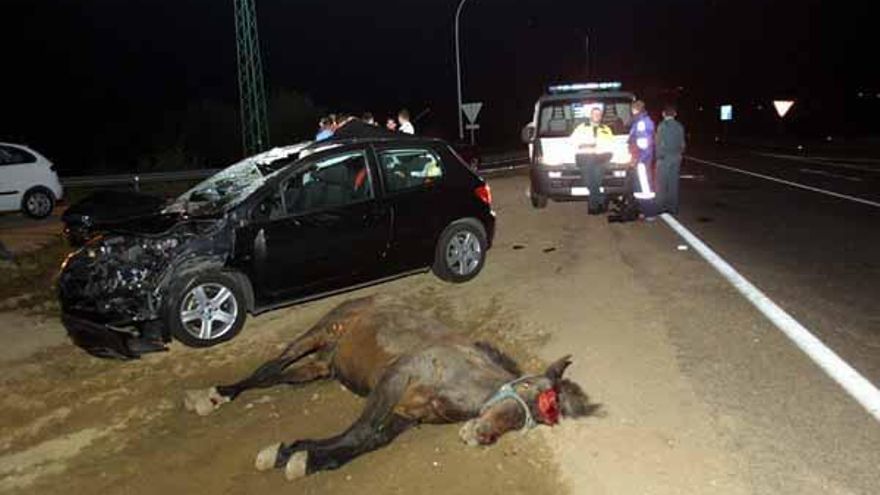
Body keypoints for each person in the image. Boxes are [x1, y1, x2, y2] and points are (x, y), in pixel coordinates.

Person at [571, 106, 614, 213]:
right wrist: (587, 146)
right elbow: (572, 141)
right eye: (594, 114)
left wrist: (604, 152)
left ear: (601, 116)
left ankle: (593, 208)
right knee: (588, 182)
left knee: (596, 182)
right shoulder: (581, 127)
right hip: (585, 159)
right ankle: (602, 198)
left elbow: (611, 144)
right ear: (590, 115)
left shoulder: (606, 129)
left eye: (599, 114)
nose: (596, 116)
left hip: (601, 159)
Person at [627, 100, 656, 219]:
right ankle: (643, 211)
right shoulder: (642, 121)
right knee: (640, 186)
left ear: (635, 109)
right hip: (642, 160)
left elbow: (643, 144)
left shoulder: (641, 123)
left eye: (632, 109)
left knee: (645, 188)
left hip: (642, 161)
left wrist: (638, 160)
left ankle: (649, 213)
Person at [655, 105, 686, 214]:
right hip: (676, 157)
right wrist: (680, 155)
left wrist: (658, 157)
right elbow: (682, 144)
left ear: (663, 114)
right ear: (675, 114)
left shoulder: (662, 126)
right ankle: (673, 207)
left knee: (661, 183)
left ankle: (660, 207)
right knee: (673, 183)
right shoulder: (679, 126)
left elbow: (658, 143)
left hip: (664, 158)